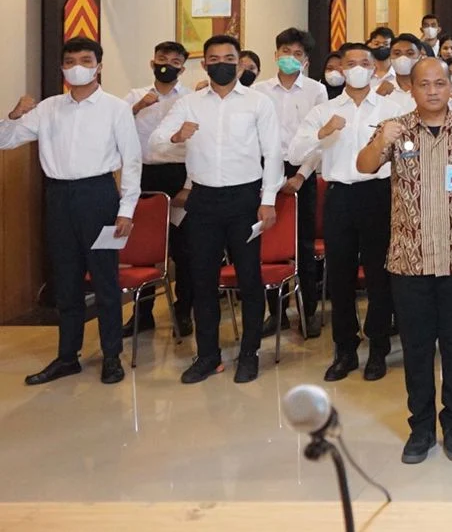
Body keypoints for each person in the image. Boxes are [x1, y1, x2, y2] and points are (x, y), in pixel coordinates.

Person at [356, 57, 452, 463]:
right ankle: (420, 429)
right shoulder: (396, 129)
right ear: (412, 89)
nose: (433, 90)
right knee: (417, 350)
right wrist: (381, 139)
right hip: (409, 261)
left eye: (441, 83)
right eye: (424, 84)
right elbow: (363, 166)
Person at [1, 39, 143, 385]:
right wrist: (14, 115)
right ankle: (68, 356)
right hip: (59, 197)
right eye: (69, 60)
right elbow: (5, 141)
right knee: (66, 281)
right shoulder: (48, 108)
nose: (76, 66)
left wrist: (126, 209)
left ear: (99, 66)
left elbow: (133, 160)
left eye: (85, 59)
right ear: (62, 68)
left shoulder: (115, 108)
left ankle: (112, 356)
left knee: (105, 280)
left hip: (99, 196)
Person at [152, 34, 282, 385]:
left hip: (244, 199)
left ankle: (249, 354)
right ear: (204, 63)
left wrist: (268, 200)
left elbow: (272, 152)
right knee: (201, 280)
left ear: (239, 63)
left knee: (249, 280)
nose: (220, 62)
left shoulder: (258, 103)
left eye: (228, 57)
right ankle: (207, 355)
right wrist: (177, 137)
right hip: (204, 199)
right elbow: (156, 138)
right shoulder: (190, 103)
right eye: (213, 57)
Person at [287, 42, 398, 383]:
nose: (358, 68)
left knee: (380, 276)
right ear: (340, 68)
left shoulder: (393, 106)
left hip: (380, 194)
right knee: (340, 276)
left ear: (375, 67)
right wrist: (322, 133)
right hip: (339, 197)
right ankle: (345, 349)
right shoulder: (325, 110)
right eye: (351, 63)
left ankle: (378, 348)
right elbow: (294, 154)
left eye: (365, 62)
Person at [121, 39, 193, 337]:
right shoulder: (133, 96)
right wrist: (138, 107)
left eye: (175, 61)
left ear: (183, 68)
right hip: (143, 176)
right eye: (162, 58)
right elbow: (114, 129)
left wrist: (189, 186)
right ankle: (142, 313)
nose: (168, 64)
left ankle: (183, 310)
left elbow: (198, 145)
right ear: (153, 62)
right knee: (144, 250)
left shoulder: (190, 99)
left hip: (179, 174)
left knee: (184, 250)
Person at [260, 27, 326, 337]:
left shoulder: (316, 90)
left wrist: (301, 175)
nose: (290, 58)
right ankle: (276, 313)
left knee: (303, 245)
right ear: (275, 55)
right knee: (269, 244)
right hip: (266, 174)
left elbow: (320, 140)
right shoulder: (259, 92)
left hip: (304, 172)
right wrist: (271, 181)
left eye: (297, 54)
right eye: (285, 52)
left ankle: (308, 311)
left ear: (306, 60)